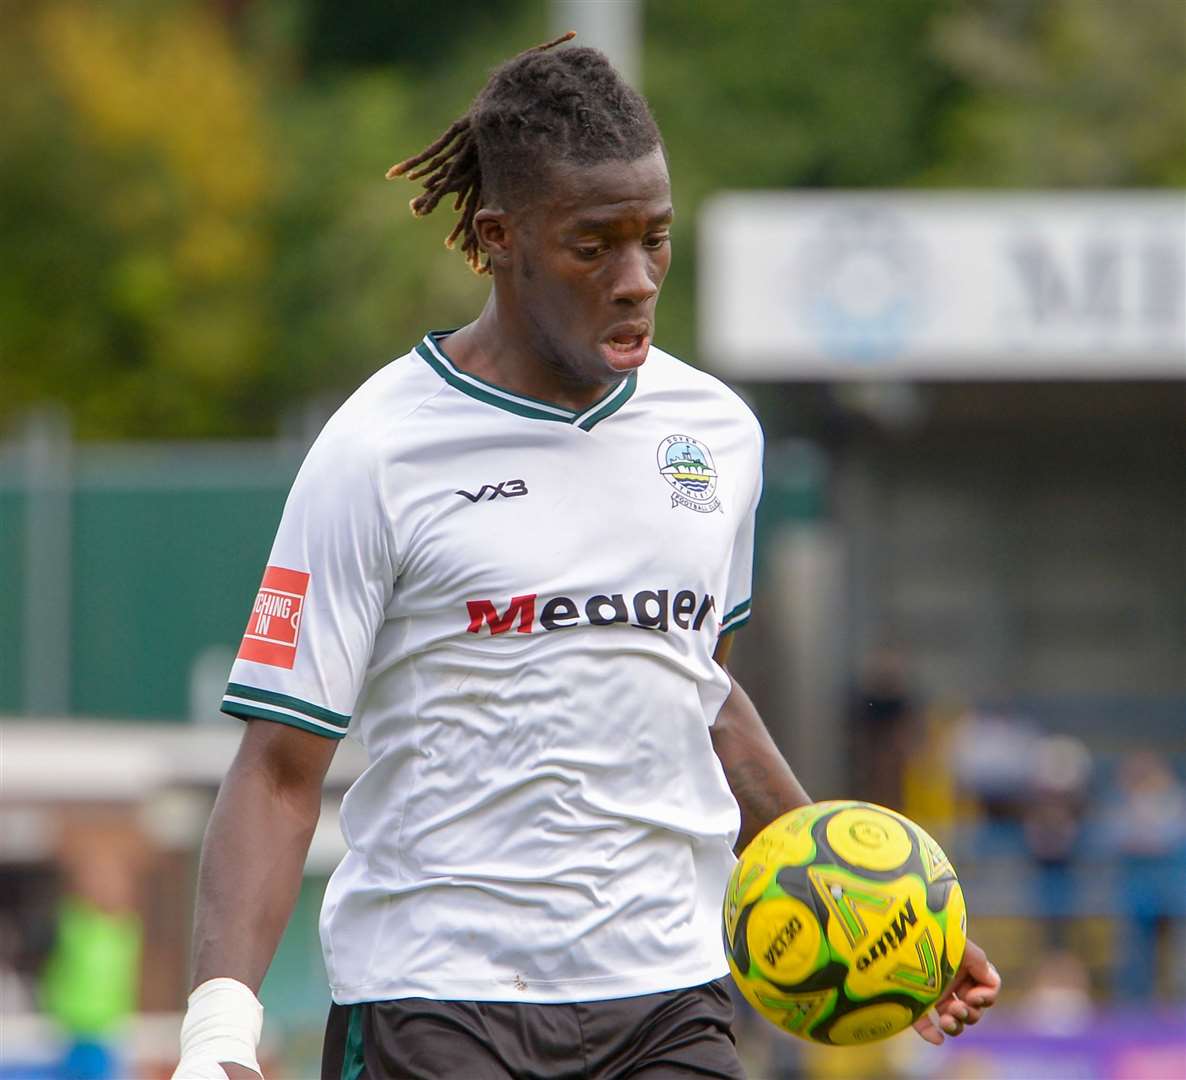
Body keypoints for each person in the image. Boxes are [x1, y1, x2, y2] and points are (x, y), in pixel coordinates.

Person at [173, 35, 1000, 1079]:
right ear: (498, 237)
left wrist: (866, 907)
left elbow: (696, 689)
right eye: (593, 246)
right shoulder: (378, 449)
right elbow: (280, 770)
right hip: (438, 1001)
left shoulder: (715, 434)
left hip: (667, 996)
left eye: (655, 240)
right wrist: (217, 1032)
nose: (635, 280)